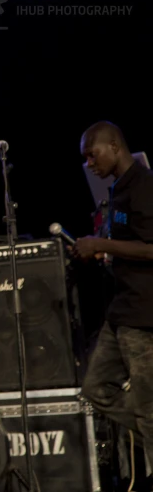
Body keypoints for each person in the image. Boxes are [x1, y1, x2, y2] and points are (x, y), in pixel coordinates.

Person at [76, 120, 153, 470]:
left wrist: (102, 244)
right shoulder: (116, 189)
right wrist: (101, 251)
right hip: (121, 310)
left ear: (114, 147)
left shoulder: (143, 186)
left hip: (142, 312)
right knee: (94, 388)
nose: (90, 164)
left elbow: (150, 247)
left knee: (148, 409)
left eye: (93, 155)